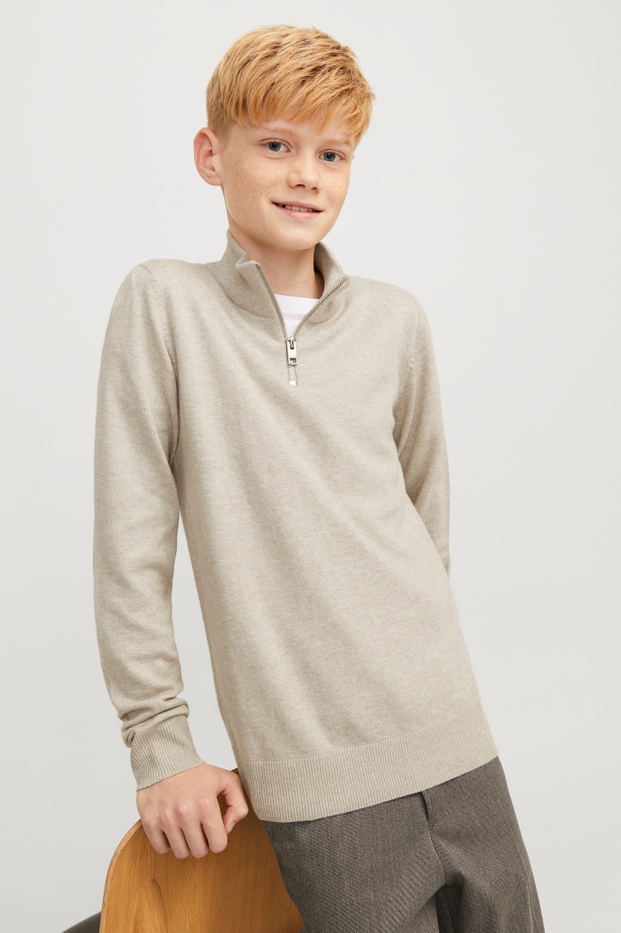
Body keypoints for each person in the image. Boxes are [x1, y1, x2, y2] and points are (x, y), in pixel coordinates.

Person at [94, 25, 545, 932]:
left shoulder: (395, 321)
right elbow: (130, 543)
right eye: (276, 144)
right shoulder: (165, 304)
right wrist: (160, 742)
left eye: (332, 154)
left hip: (453, 729)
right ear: (211, 155)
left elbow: (424, 521)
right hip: (312, 764)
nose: (307, 174)